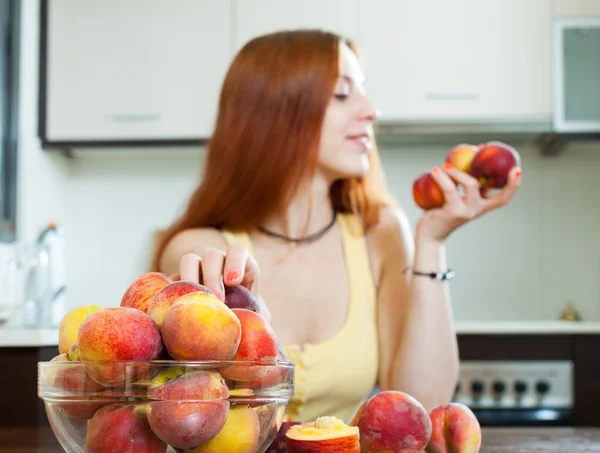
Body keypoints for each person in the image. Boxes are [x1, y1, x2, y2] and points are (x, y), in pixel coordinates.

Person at [152, 29, 521, 424]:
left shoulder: (379, 235)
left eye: (362, 90)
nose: (371, 111)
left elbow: (422, 405)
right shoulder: (201, 253)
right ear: (275, 111)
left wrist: (432, 240)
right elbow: (182, 414)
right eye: (343, 94)